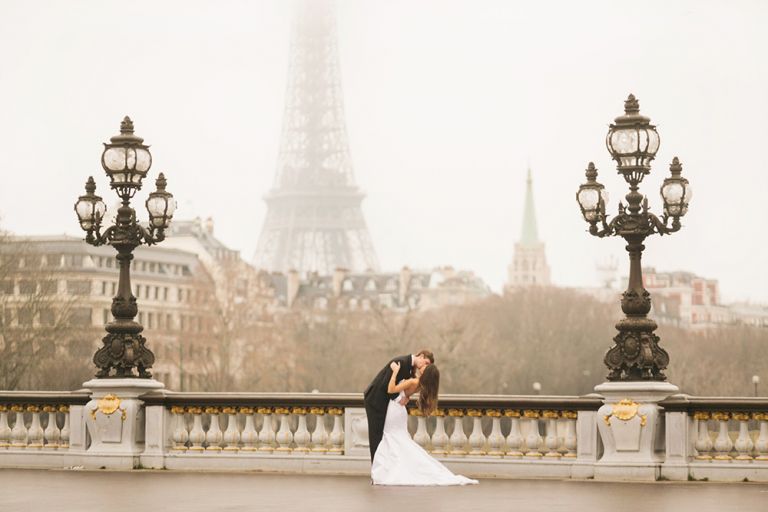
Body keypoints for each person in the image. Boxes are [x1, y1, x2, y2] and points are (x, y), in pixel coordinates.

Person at [370, 361, 478, 486]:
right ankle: (398, 466)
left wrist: (394, 372)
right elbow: (406, 393)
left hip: (394, 409)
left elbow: (390, 389)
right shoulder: (420, 384)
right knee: (398, 439)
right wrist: (405, 397)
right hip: (399, 410)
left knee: (392, 437)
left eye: (425, 367)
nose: (422, 366)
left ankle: (392, 469)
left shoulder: (413, 382)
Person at [363, 350, 433, 461]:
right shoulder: (401, 362)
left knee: (384, 437)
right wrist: (400, 399)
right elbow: (386, 385)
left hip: (388, 404)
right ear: (421, 356)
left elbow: (401, 387)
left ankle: (382, 468)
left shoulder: (410, 368)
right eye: (426, 363)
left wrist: (405, 397)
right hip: (375, 400)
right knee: (376, 436)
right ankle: (376, 470)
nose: (425, 366)